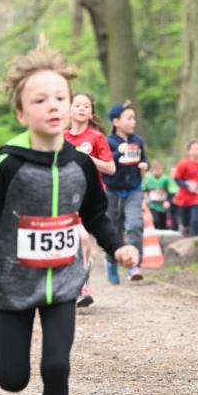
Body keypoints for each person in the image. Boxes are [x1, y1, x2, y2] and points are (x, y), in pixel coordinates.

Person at [0, 36, 137, 395]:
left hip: (63, 282)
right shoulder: (7, 163)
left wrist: (116, 245)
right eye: (40, 100)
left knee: (57, 366)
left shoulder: (80, 163)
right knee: (13, 381)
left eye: (60, 97)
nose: (53, 106)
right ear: (22, 113)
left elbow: (96, 213)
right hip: (14, 285)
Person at [64, 91, 116, 307]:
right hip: (66, 195)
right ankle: (76, 285)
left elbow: (111, 168)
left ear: (92, 113)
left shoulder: (96, 138)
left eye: (86, 106)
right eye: (77, 105)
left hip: (91, 197)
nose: (82, 108)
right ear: (69, 109)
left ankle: (81, 285)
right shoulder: (61, 137)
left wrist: (87, 158)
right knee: (80, 239)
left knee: (83, 241)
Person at [102, 101, 148, 283]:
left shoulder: (137, 141)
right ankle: (111, 262)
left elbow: (143, 160)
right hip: (112, 191)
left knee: (135, 225)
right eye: (129, 118)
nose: (133, 122)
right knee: (114, 229)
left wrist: (145, 165)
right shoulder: (107, 142)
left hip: (134, 190)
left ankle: (134, 265)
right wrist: (116, 153)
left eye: (134, 118)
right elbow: (104, 163)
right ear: (116, 121)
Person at [172, 141, 198, 238]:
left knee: (196, 220)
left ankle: (195, 241)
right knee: (185, 222)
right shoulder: (183, 164)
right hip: (184, 198)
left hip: (197, 197)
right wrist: (187, 185)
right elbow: (177, 178)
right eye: (193, 149)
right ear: (189, 151)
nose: (195, 151)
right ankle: (185, 235)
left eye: (197, 149)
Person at [142, 160, 174, 231]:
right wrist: (146, 199)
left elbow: (171, 191)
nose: (157, 171)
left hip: (163, 205)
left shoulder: (166, 179)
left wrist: (168, 201)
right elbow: (145, 190)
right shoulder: (149, 179)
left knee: (163, 223)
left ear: (161, 169)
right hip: (153, 205)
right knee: (155, 220)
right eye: (155, 169)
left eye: (158, 169)